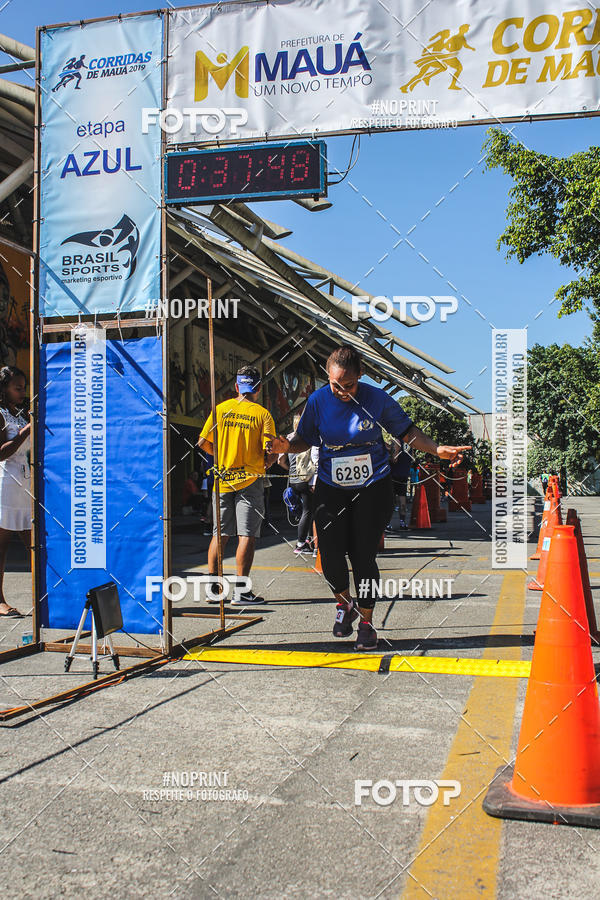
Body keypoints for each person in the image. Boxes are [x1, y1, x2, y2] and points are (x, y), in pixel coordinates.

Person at [268, 345, 470, 650]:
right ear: (328, 377)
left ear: (360, 376)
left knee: (363, 556)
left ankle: (366, 621)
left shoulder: (376, 399)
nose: (341, 391)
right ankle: (344, 603)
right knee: (331, 555)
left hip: (372, 486)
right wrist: (285, 445)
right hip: (330, 486)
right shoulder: (319, 400)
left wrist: (437, 449)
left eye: (348, 385)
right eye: (335, 384)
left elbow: (407, 431)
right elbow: (304, 439)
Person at [198, 366, 276, 605]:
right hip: (250, 481)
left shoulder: (220, 410)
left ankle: (214, 590)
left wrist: (220, 458)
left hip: (221, 481)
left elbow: (202, 442)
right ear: (258, 388)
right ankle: (241, 593)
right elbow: (270, 449)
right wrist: (265, 463)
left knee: (219, 535)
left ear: (236, 387)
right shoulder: (262, 414)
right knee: (246, 535)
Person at [0, 366, 31, 617]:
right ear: (4, 389)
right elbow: (1, 452)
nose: (22, 392)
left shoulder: (19, 414)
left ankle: (49, 594)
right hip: (5, 483)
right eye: (17, 388)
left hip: (24, 482)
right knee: (2, 544)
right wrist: (26, 431)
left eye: (24, 387)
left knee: (34, 541)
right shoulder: (1, 415)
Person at [278, 412, 317, 554]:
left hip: (294, 480)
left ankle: (308, 541)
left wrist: (291, 470)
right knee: (309, 511)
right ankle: (302, 543)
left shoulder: (288, 438)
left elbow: (280, 461)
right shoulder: (309, 438)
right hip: (306, 479)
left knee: (305, 512)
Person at [386, 439, 411, 532]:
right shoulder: (410, 443)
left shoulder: (397, 441)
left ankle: (387, 523)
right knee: (402, 499)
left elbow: (394, 459)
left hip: (394, 475)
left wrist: (389, 454)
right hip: (404, 474)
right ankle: (402, 522)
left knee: (390, 501)